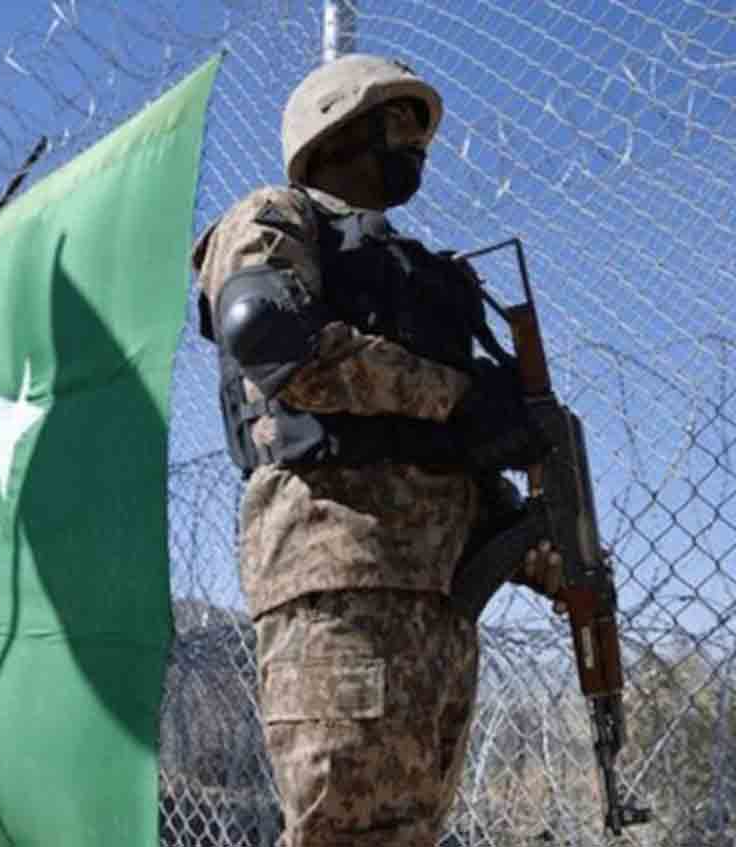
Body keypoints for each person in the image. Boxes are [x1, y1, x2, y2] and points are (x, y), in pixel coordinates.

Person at [191, 54, 556, 846]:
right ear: (336, 130)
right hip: (340, 583)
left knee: (407, 834)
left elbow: (448, 450)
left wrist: (538, 537)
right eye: (397, 124)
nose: (416, 147)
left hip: (441, 602)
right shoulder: (276, 216)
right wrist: (460, 398)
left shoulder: (429, 276)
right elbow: (273, 339)